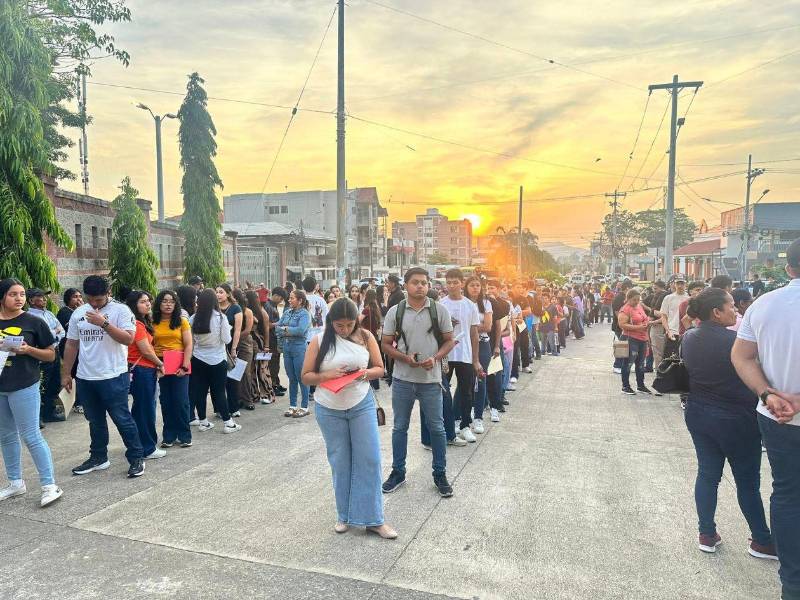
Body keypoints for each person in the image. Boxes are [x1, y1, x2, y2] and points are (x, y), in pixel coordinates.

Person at [681, 287, 776, 559]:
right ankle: (761, 540)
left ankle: (706, 533)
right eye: (731, 306)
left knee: (707, 475)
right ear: (716, 312)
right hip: (738, 420)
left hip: (699, 414)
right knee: (747, 483)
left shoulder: (689, 337)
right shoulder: (737, 343)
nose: (736, 310)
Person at [732, 238, 800, 600]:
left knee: (787, 495)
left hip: (776, 418)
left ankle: (792, 584)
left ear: (788, 268)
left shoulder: (763, 305)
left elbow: (741, 357)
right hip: (781, 415)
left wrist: (767, 394)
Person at [301, 298, 396, 539]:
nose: (344, 329)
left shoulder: (365, 336)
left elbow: (380, 368)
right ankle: (344, 515)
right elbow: (306, 376)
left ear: (357, 321)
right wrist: (328, 375)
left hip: (360, 402)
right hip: (329, 407)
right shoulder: (319, 340)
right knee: (340, 462)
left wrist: (364, 374)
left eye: (349, 324)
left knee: (370, 459)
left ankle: (374, 519)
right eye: (339, 325)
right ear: (330, 321)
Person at [381, 267, 456, 498]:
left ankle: (440, 474)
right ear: (405, 285)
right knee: (399, 427)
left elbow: (449, 340)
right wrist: (405, 358)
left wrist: (435, 358)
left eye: (424, 282)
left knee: (437, 428)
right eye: (415, 282)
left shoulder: (439, 310)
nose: (420, 286)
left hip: (431, 380)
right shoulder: (395, 311)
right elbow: (385, 344)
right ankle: (398, 472)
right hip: (402, 379)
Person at [62, 275, 145, 478]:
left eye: (98, 299)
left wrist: (104, 323)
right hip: (86, 377)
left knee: (122, 418)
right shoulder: (78, 313)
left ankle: (136, 457)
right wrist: (66, 373)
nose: (94, 304)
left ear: (108, 293)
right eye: (90, 299)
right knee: (95, 420)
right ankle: (99, 457)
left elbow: (128, 339)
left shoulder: (121, 310)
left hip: (113, 375)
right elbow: (72, 344)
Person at [0, 279, 63, 507]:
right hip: (1, 388)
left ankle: (49, 485)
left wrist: (28, 350)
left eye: (22, 294)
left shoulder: (34, 322)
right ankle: (15, 483)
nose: (19, 298)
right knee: (6, 436)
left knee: (31, 435)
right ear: (2, 297)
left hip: (24, 384)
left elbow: (51, 355)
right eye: (13, 294)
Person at [189, 288, 241, 434]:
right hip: (217, 359)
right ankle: (228, 423)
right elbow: (227, 339)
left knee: (200, 391)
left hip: (198, 358)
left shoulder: (193, 318)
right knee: (219, 391)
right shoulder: (220, 318)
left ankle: (203, 422)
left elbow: (191, 340)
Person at [438, 268, 481, 442]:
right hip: (446, 355)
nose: (452, 286)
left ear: (462, 283)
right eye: (448, 282)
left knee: (466, 392)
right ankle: (447, 427)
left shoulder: (470, 305)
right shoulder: (441, 305)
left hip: (465, 354)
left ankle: (465, 425)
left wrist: (476, 360)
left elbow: (474, 334)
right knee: (443, 391)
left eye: (455, 282)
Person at [125, 291, 166, 460]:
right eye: (143, 301)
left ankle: (139, 445)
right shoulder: (137, 324)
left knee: (140, 409)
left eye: (148, 300)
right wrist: (160, 363)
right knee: (145, 410)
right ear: (134, 305)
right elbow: (146, 350)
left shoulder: (140, 322)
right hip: (142, 369)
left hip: (139, 369)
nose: (148, 304)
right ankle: (147, 448)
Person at [152, 290, 193, 449]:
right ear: (159, 303)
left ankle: (184, 435)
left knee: (181, 401)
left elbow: (188, 345)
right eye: (164, 301)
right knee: (166, 401)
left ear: (176, 304)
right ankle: (169, 435)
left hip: (179, 362)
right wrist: (156, 365)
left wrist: (184, 365)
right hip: (160, 363)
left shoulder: (182, 321)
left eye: (172, 301)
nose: (168, 304)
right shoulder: (152, 321)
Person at [26, 288, 65, 423]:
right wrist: (54, 333)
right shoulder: (30, 317)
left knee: (54, 383)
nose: (44, 299)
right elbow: (41, 336)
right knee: (42, 385)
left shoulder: (49, 314)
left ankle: (49, 412)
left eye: (45, 297)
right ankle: (38, 416)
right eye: (41, 297)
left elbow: (62, 331)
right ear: (31, 300)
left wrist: (53, 334)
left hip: (55, 351)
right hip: (42, 353)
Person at [276, 289, 311, 417]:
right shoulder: (287, 312)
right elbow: (277, 328)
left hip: (299, 347)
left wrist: (285, 329)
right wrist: (288, 330)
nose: (289, 300)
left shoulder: (305, 314)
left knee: (302, 377)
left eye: (292, 298)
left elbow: (301, 331)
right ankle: (293, 405)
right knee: (291, 378)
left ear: (300, 300)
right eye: (289, 298)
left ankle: (304, 407)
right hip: (287, 347)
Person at [464, 276, 492, 433]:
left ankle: (478, 417)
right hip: (465, 345)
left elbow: (487, 326)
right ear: (466, 287)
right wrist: (475, 327)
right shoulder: (463, 302)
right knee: (465, 381)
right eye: (472, 285)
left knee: (481, 379)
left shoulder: (486, 303)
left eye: (477, 285)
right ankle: (463, 416)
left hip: (482, 344)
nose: (475, 288)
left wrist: (470, 327)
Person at [617, 289, 653, 395]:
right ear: (628, 299)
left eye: (638, 299)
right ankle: (625, 386)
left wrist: (647, 323)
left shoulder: (639, 306)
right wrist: (638, 327)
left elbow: (644, 318)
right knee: (628, 363)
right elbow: (622, 325)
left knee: (641, 364)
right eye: (634, 300)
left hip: (642, 338)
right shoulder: (625, 309)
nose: (636, 302)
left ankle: (640, 386)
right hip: (630, 338)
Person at [245, 289, 277, 405]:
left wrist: (267, 346)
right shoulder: (247, 311)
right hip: (251, 343)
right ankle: (254, 394)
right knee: (251, 370)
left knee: (263, 369)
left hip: (260, 343)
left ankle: (269, 395)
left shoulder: (262, 312)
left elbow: (266, 330)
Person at [217, 284, 243, 417]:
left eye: (221, 292)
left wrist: (234, 348)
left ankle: (234, 407)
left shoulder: (235, 308)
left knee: (232, 378)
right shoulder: (214, 307)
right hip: (217, 346)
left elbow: (237, 330)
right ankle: (219, 409)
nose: (218, 294)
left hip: (231, 344)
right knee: (218, 379)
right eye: (216, 292)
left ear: (228, 294)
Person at [57, 287, 84, 414]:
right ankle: (77, 403)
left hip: (81, 348)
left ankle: (81, 401)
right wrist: (81, 310)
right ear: (68, 299)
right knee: (74, 374)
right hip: (69, 348)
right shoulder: (65, 312)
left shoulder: (79, 311)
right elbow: (75, 327)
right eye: (75, 297)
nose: (78, 299)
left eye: (80, 296)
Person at [303, 276, 328, 403]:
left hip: (305, 336)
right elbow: (327, 317)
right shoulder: (320, 300)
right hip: (319, 335)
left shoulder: (301, 300)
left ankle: (308, 390)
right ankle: (315, 388)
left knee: (307, 363)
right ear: (315, 286)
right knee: (318, 363)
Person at [232, 288, 256, 411]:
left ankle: (247, 399)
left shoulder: (247, 311)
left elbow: (247, 330)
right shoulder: (229, 310)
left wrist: (234, 339)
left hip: (244, 343)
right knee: (233, 372)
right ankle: (236, 398)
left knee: (245, 371)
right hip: (230, 344)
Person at [660, 276, 689, 358]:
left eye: (682, 283)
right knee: (668, 359)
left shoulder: (689, 298)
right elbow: (664, 316)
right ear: (674, 284)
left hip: (686, 333)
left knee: (684, 358)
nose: (680, 286)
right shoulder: (668, 298)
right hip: (672, 332)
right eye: (677, 283)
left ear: (686, 284)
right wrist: (668, 331)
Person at [360, 289, 382, 392]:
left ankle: (372, 383)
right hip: (375, 337)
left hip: (367, 337)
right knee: (374, 361)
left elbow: (358, 320)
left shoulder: (366, 309)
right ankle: (376, 384)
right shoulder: (376, 308)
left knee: (369, 361)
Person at [266, 287, 286, 396]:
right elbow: (267, 325)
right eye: (281, 298)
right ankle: (272, 386)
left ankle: (276, 383)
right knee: (272, 363)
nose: (281, 301)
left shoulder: (273, 306)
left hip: (274, 338)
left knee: (276, 362)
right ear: (276, 295)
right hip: (270, 339)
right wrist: (279, 323)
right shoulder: (268, 306)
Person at [644, 280, 668, 370]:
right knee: (654, 347)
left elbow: (663, 313)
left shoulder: (664, 295)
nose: (654, 290)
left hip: (658, 325)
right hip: (655, 324)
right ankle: (655, 367)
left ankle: (659, 369)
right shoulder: (655, 295)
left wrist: (653, 313)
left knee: (657, 349)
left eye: (655, 288)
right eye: (653, 288)